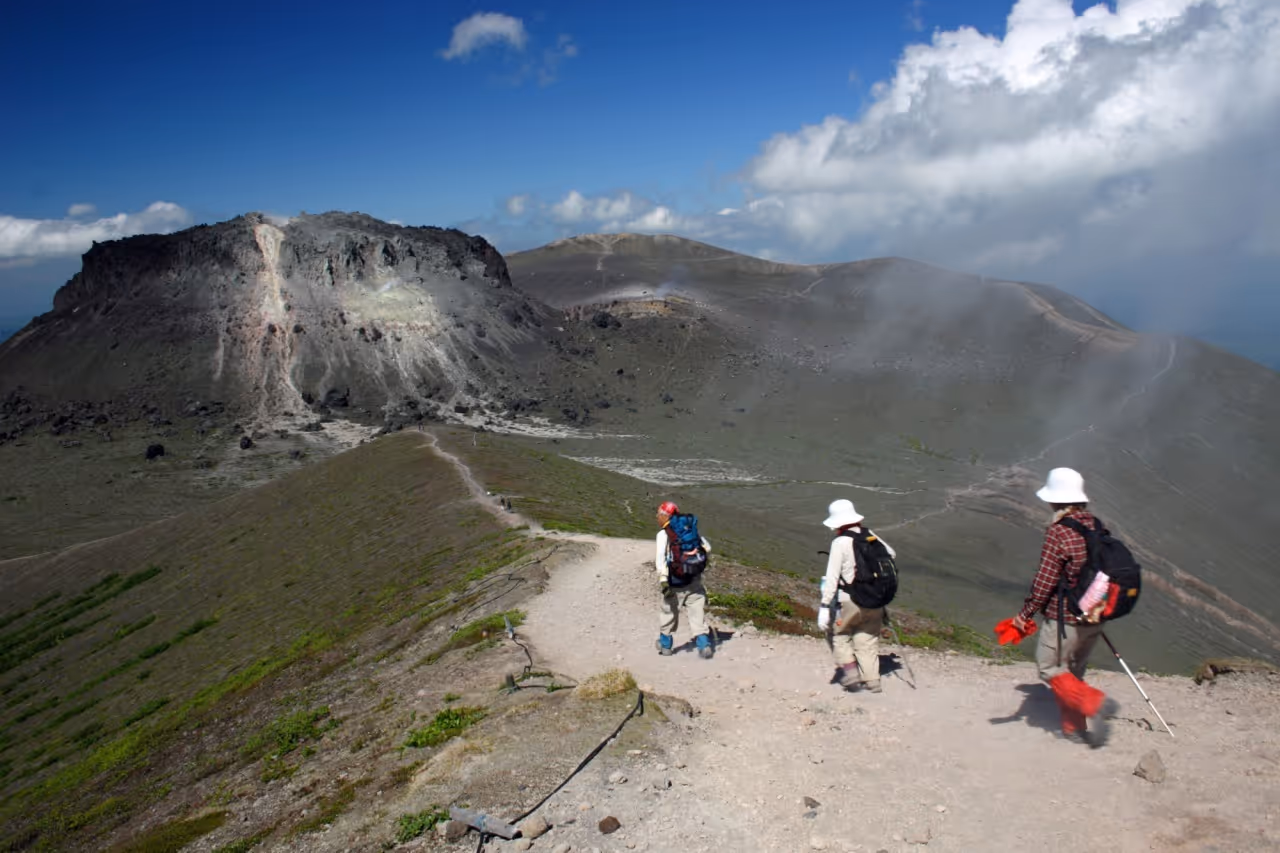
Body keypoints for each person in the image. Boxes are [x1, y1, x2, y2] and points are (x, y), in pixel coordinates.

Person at [1010, 467, 1118, 745]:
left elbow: (1045, 580)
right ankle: (1074, 730)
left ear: (1056, 500)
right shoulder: (1096, 525)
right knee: (1073, 671)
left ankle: (1095, 703)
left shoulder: (1060, 532)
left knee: (1049, 668)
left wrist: (1025, 615)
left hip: (1065, 617)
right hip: (1095, 613)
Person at [817, 499, 891, 693]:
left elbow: (832, 577)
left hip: (850, 599)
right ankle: (873, 681)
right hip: (876, 598)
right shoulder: (870, 536)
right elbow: (891, 554)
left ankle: (852, 675)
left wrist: (824, 607)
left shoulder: (840, 542)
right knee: (867, 639)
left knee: (840, 635)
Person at [655, 501, 714, 659]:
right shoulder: (689, 530)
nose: (656, 517)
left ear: (664, 516)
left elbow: (660, 561)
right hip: (694, 578)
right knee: (697, 611)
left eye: (658, 514)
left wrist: (663, 580)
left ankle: (665, 646)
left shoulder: (663, 535)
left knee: (669, 612)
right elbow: (707, 548)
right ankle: (703, 645)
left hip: (675, 582)